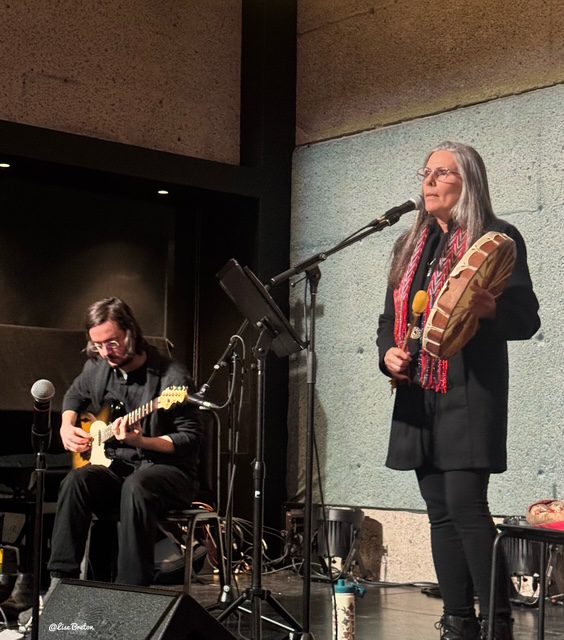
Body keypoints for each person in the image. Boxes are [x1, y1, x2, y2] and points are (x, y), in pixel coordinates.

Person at [377, 141, 540, 640]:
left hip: (469, 390)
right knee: (439, 513)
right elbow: (387, 320)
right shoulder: (410, 245)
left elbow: (526, 318)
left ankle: (497, 625)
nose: (428, 181)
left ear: (468, 181)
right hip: (418, 391)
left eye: (442, 173)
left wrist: (490, 309)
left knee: (467, 507)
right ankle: (458, 623)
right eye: (425, 172)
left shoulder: (496, 238)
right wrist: (388, 355)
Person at [46, 296, 202, 589]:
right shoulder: (98, 367)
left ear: (131, 332)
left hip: (168, 473)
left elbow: (189, 439)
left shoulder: (171, 376)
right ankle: (61, 584)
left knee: (136, 485)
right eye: (98, 345)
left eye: (112, 342)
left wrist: (142, 441)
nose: (106, 352)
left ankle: (130, 590)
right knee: (76, 481)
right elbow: (74, 395)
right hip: (119, 469)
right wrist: (66, 426)